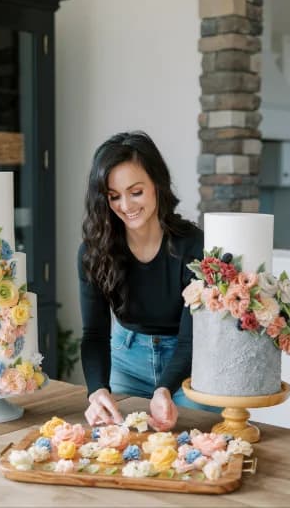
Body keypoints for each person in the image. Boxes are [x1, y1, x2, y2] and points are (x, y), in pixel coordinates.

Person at [78, 130, 213, 431]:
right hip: (126, 363)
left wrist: (164, 388)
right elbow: (94, 333)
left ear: (156, 184)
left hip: (190, 367)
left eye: (135, 191)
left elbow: (192, 338)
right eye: (114, 196)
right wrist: (97, 390)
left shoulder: (193, 246)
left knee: (196, 449)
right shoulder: (94, 252)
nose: (126, 205)